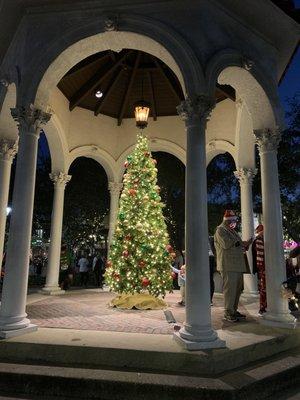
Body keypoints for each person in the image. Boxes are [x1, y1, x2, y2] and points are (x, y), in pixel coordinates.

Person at [214, 210, 252, 322]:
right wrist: (242, 243)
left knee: (237, 289)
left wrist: (245, 244)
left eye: (235, 220)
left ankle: (233, 311)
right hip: (228, 265)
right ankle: (228, 312)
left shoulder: (232, 231)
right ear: (227, 220)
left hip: (237, 265)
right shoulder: (220, 230)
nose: (234, 222)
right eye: (233, 220)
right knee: (230, 290)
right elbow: (226, 244)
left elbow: (238, 245)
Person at [252, 224, 266, 315]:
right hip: (263, 269)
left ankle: (263, 308)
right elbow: (260, 258)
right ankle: (263, 308)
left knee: (263, 289)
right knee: (264, 289)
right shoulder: (259, 240)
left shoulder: (259, 240)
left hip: (262, 269)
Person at [208, 236, 216, 305]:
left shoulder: (211, 238)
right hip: (204, 258)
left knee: (210, 278)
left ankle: (209, 299)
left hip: (210, 258)